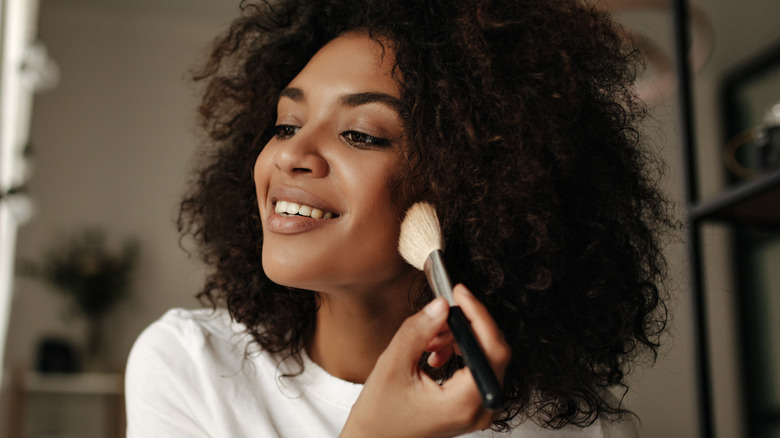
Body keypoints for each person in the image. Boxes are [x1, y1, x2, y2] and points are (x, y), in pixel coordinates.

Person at [125, 0, 674, 436]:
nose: (290, 154)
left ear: (475, 188)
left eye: (361, 134)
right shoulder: (192, 368)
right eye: (287, 124)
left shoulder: (547, 425)